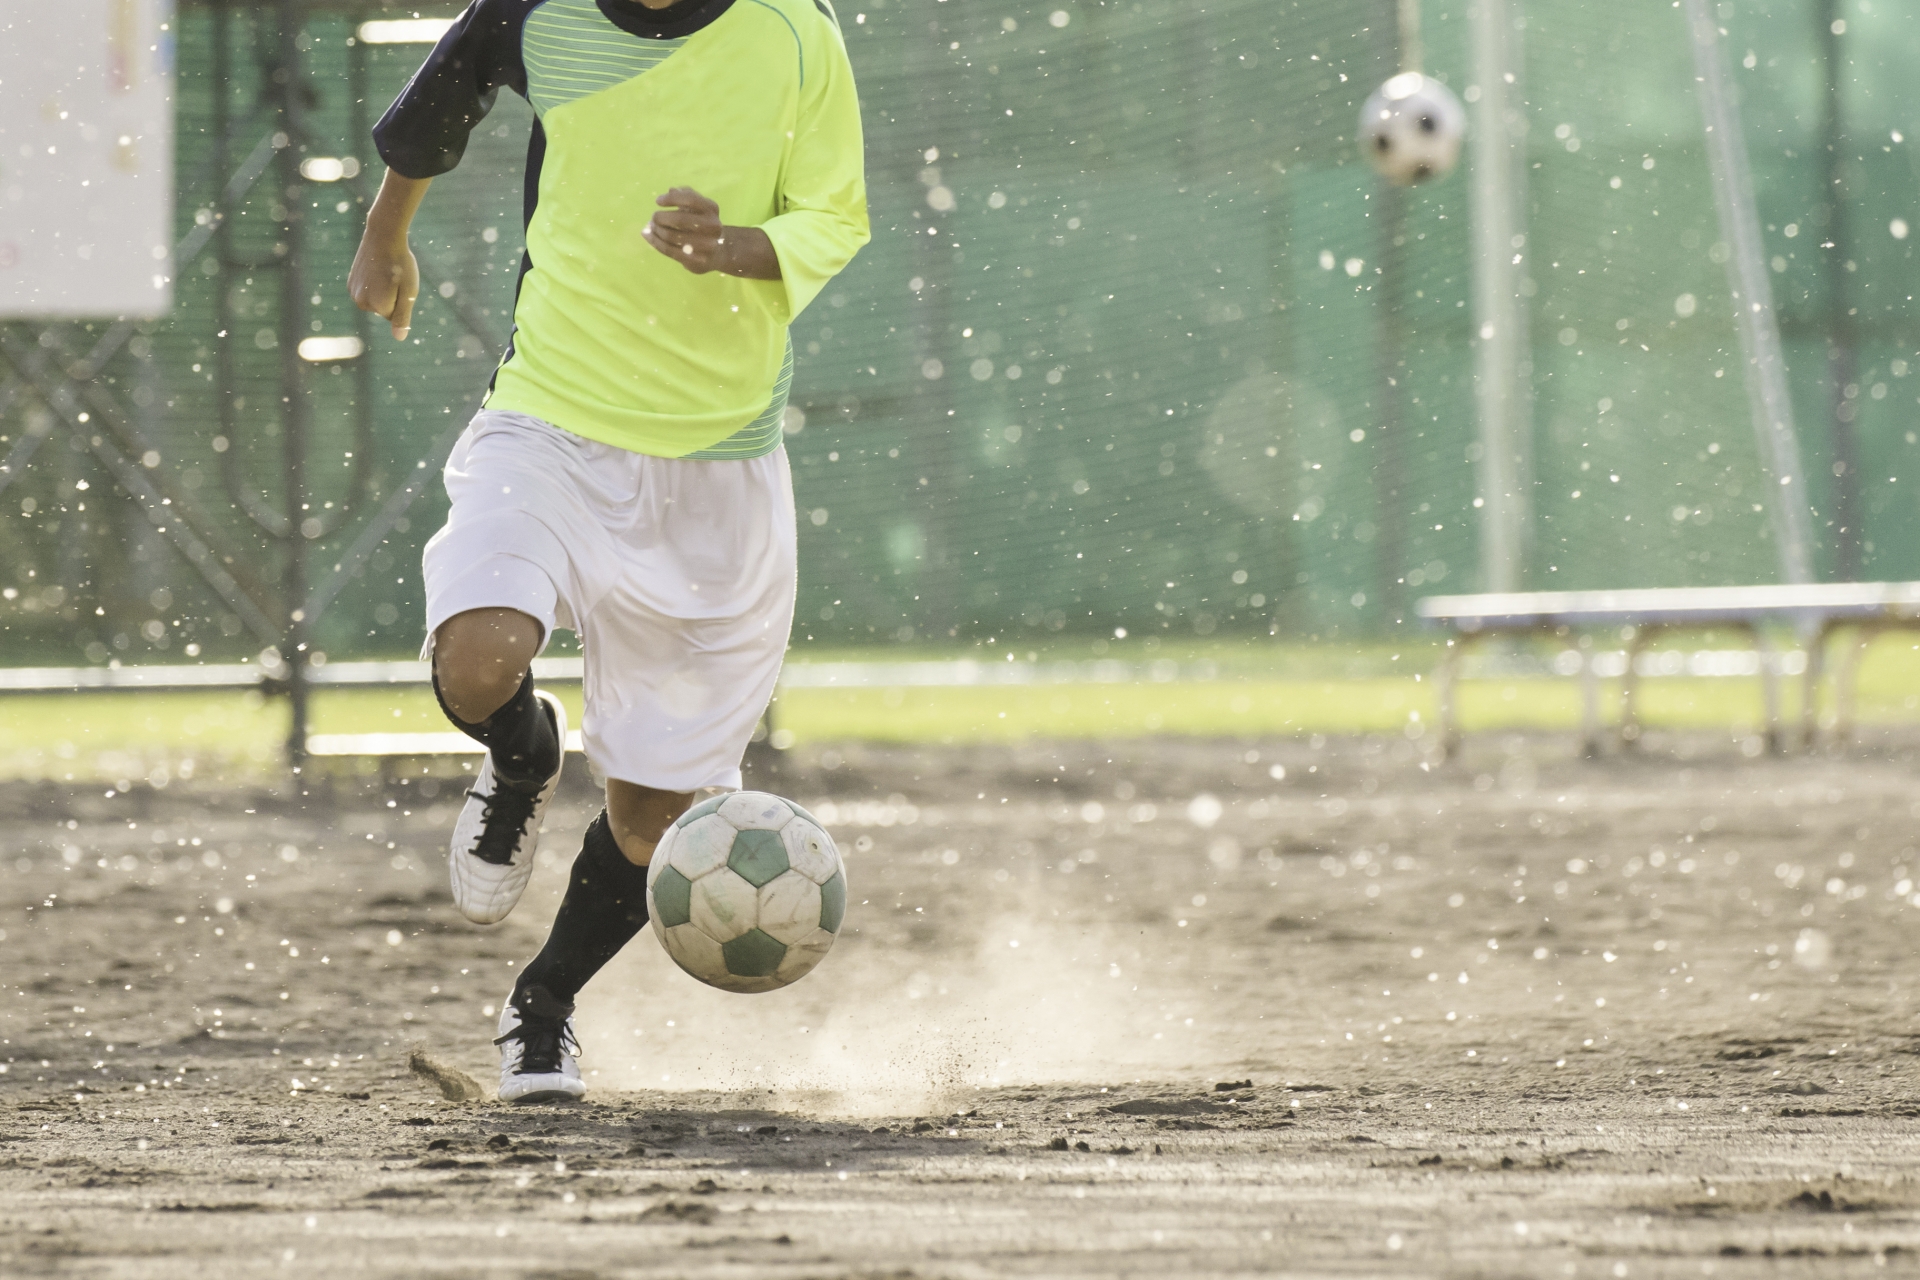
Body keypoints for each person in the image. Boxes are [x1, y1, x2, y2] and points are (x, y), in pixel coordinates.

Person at [349, 0, 868, 1103]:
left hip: (721, 466)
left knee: (652, 814)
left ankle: (540, 1010)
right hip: (552, 420)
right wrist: (383, 235)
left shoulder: (795, 27)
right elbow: (438, 105)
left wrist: (749, 246)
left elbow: (839, 207)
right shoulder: (539, 12)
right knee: (478, 660)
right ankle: (523, 753)